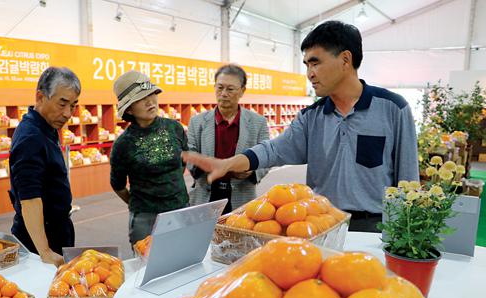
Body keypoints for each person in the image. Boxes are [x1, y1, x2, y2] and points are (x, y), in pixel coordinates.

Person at [183, 21, 419, 232]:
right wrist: (228, 163)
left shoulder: (393, 109)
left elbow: (408, 179)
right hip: (321, 224)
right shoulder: (311, 117)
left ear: (345, 60)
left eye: (315, 63)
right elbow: (273, 150)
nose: (309, 74)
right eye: (306, 65)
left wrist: (404, 233)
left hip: (375, 226)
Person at [9, 66, 80, 267]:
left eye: (73, 106)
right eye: (62, 104)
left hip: (56, 229)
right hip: (40, 238)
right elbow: (29, 198)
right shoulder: (31, 137)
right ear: (40, 97)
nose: (67, 113)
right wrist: (45, 251)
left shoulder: (46, 128)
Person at [110, 70, 189, 245]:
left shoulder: (175, 128)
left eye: (151, 94)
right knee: (147, 260)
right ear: (129, 108)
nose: (150, 101)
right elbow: (118, 185)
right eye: (141, 98)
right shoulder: (123, 144)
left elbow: (181, 164)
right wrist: (140, 204)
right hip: (145, 219)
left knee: (184, 256)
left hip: (180, 209)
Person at [187, 64, 269, 214]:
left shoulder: (258, 122)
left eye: (230, 89)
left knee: (239, 229)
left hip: (242, 196)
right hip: (205, 194)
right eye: (220, 88)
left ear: (242, 91)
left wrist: (252, 171)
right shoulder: (197, 122)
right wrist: (202, 164)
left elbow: (266, 156)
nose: (223, 94)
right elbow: (190, 153)